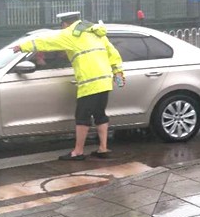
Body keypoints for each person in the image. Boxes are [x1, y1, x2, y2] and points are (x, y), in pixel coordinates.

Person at [12, 11, 124, 161]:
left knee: (82, 117)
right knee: (100, 114)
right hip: (104, 80)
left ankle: (78, 152)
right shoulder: (96, 32)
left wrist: (22, 46)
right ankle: (103, 148)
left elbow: (47, 42)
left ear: (65, 24)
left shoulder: (70, 34)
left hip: (89, 82)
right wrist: (118, 72)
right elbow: (113, 53)